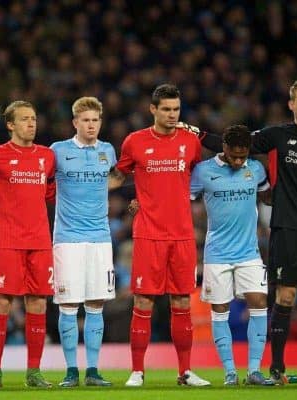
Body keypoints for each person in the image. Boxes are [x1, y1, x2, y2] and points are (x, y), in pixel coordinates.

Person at [183, 79, 297, 385]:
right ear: (292, 104)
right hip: (287, 226)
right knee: (284, 296)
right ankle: (276, 367)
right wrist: (199, 133)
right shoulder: (277, 135)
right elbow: (236, 143)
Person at [110, 84, 210, 387]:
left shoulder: (190, 142)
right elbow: (117, 177)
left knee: (181, 302)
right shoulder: (135, 142)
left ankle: (185, 372)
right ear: (153, 109)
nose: (171, 115)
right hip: (149, 235)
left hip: (181, 235)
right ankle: (137, 371)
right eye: (165, 109)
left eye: (176, 110)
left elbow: (193, 179)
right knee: (143, 303)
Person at [0, 101, 55, 388]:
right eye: (24, 120)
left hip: (40, 241)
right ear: (10, 124)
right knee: (2, 301)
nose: (31, 124)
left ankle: (33, 372)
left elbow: (51, 193)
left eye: (33, 119)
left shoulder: (47, 156)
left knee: (37, 302)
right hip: (8, 242)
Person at [190, 125, 274, 386]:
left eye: (243, 156)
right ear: (223, 148)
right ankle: (229, 371)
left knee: (259, 302)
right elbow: (183, 199)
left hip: (249, 252)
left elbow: (267, 195)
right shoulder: (203, 171)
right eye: (234, 156)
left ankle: (254, 371)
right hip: (217, 254)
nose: (239, 161)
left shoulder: (256, 169)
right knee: (219, 309)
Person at [50, 97, 116, 387]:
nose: (91, 125)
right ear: (75, 122)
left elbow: (114, 180)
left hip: (100, 238)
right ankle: (70, 371)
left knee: (96, 303)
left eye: (95, 120)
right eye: (86, 120)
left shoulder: (107, 151)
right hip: (67, 240)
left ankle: (92, 370)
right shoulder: (58, 151)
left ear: (100, 122)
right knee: (68, 304)